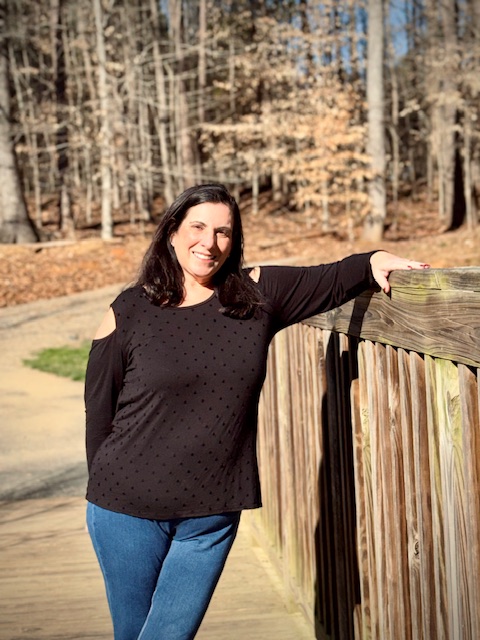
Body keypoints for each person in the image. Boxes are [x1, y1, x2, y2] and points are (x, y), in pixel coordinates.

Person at [85, 183, 429, 640]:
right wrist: (110, 492)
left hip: (210, 514)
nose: (209, 243)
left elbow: (331, 277)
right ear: (171, 231)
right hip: (126, 510)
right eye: (198, 227)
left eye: (223, 232)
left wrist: (375, 260)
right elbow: (98, 414)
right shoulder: (128, 310)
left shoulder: (256, 295)